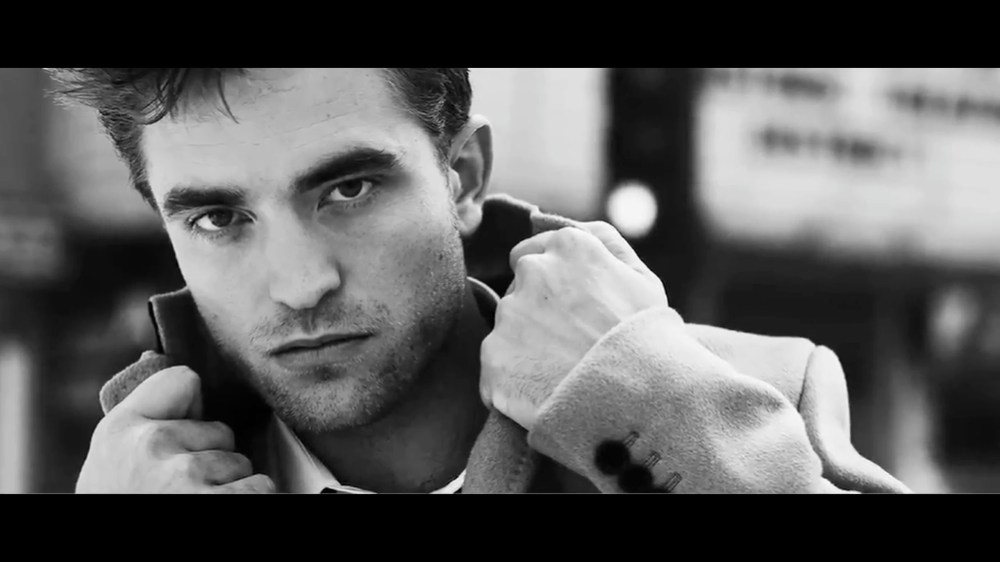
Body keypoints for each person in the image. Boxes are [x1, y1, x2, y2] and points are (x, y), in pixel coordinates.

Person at [48, 68, 910, 494]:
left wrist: (658, 411)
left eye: (348, 190)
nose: (300, 284)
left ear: (461, 177)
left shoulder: (743, 402)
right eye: (217, 219)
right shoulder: (139, 475)